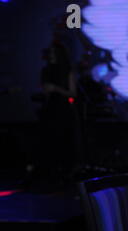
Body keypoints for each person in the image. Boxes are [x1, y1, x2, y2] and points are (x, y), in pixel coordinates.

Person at [38, 41, 81, 185]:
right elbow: (44, 91)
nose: (50, 55)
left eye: (53, 52)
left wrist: (56, 89)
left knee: (65, 140)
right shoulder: (46, 70)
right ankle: (52, 173)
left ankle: (66, 172)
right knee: (51, 141)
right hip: (51, 108)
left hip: (64, 109)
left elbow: (73, 93)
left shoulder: (67, 70)